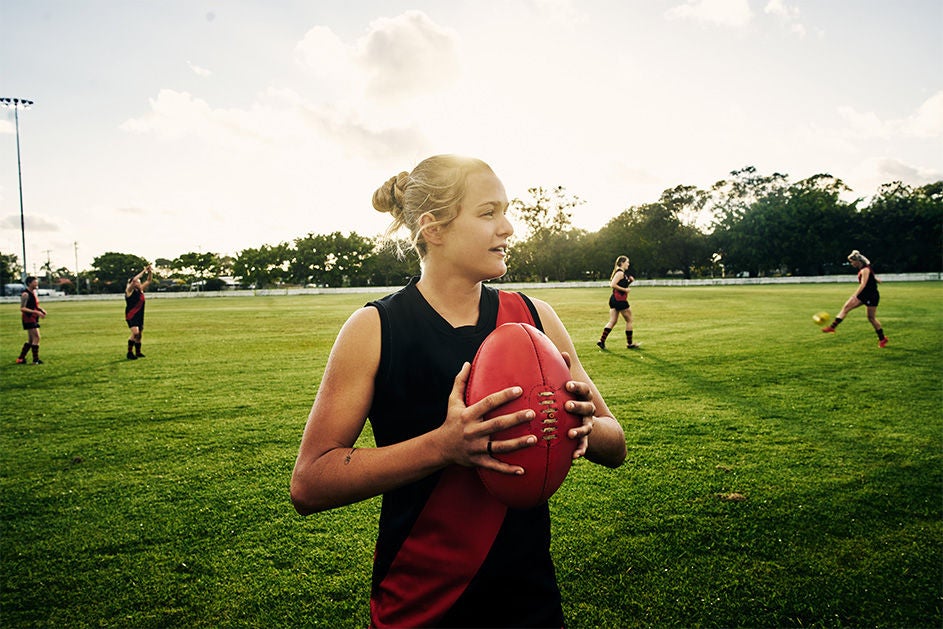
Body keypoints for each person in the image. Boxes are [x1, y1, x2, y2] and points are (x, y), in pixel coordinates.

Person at [290, 155, 627, 628]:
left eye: (506, 211)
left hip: (529, 604)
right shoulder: (375, 328)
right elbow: (310, 482)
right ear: (433, 228)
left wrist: (582, 423)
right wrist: (444, 446)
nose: (508, 227)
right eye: (488, 212)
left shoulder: (536, 319)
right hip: (419, 606)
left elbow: (616, 444)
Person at [822, 249, 888, 347]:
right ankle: (832, 327)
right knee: (846, 307)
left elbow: (863, 284)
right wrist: (876, 279)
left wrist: (855, 295)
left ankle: (882, 339)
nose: (851, 263)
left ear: (858, 261)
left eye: (852, 261)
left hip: (871, 295)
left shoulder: (865, 270)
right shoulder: (864, 269)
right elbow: (870, 276)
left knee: (871, 318)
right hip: (864, 295)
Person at [596, 255, 639, 350]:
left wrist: (629, 282)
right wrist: (625, 289)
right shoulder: (620, 273)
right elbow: (613, 285)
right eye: (627, 262)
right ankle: (630, 343)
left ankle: (601, 341)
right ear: (622, 263)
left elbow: (620, 284)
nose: (628, 264)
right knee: (629, 320)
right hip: (620, 300)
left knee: (613, 321)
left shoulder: (620, 273)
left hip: (614, 299)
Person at [16, 276, 46, 364]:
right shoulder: (25, 294)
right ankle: (35, 360)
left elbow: (33, 305)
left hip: (33, 317)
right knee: (37, 337)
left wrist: (41, 310)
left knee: (31, 340)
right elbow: (22, 308)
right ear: (29, 283)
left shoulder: (33, 293)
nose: (36, 284)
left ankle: (21, 359)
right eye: (35, 282)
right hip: (28, 318)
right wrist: (36, 312)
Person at [125, 265, 153, 359]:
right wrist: (144, 270)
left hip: (140, 314)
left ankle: (138, 352)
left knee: (139, 334)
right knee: (135, 332)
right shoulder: (129, 291)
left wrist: (150, 272)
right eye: (137, 281)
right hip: (131, 314)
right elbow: (133, 280)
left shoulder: (140, 290)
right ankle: (129, 353)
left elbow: (149, 280)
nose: (139, 282)